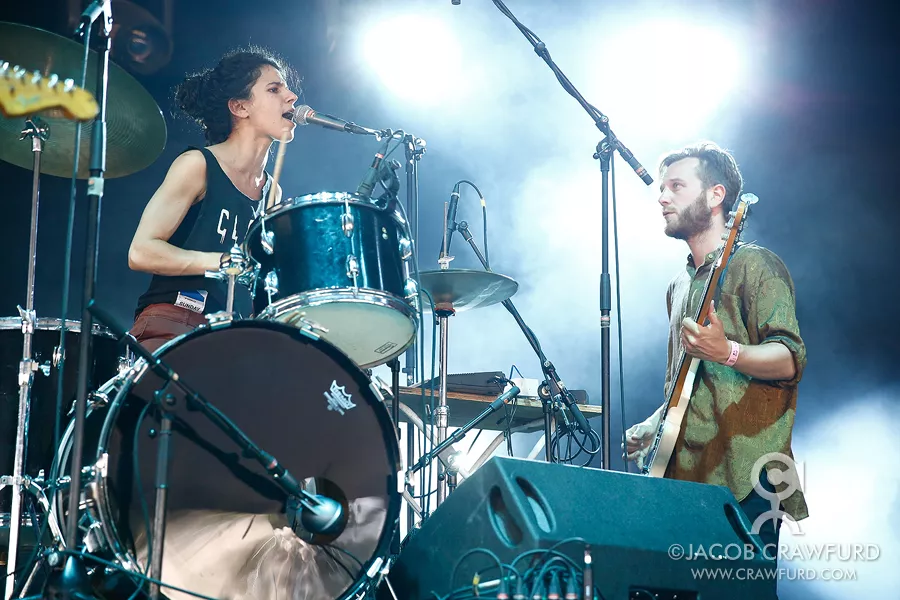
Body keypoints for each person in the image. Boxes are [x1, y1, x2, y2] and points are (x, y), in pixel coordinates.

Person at [625, 142, 808, 559]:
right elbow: (688, 380)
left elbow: (790, 359)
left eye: (676, 186)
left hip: (747, 478)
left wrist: (728, 351)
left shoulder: (756, 265)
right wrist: (655, 424)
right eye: (662, 188)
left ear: (716, 195)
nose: (662, 196)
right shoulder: (678, 285)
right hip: (684, 480)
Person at [128, 47, 299, 351]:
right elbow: (141, 252)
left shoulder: (273, 193)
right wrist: (224, 262)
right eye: (274, 89)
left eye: (286, 88)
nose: (291, 97)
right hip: (174, 320)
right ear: (240, 107)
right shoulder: (198, 165)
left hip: (231, 335)